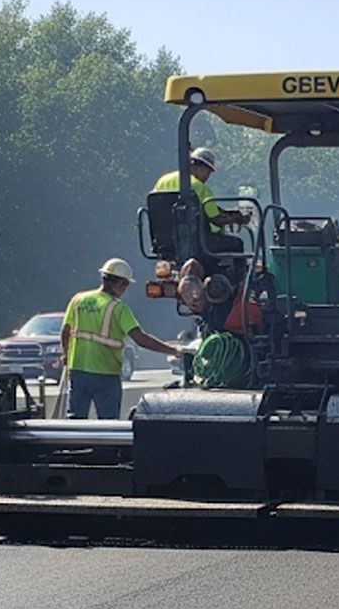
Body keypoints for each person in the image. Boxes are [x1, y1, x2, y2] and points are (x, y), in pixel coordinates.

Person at [61, 258, 182, 419]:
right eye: (125, 285)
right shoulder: (118, 308)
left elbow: (65, 330)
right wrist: (173, 350)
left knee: (75, 420)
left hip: (77, 369)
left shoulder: (78, 300)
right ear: (121, 284)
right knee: (108, 423)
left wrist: (66, 355)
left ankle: (73, 443)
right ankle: (105, 445)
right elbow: (140, 338)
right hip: (105, 373)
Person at [153, 147, 250, 313]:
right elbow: (215, 218)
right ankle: (240, 289)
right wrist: (236, 218)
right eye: (208, 172)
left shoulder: (163, 181)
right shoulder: (200, 188)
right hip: (197, 244)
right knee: (236, 244)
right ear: (199, 166)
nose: (207, 177)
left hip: (168, 244)